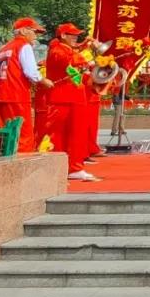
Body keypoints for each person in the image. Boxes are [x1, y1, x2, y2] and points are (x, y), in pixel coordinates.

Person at [0, 18, 53, 153]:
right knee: (22, 135)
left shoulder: (5, 48)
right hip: (17, 97)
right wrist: (44, 81)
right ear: (23, 31)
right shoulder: (23, 45)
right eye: (35, 32)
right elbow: (31, 72)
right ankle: (22, 165)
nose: (36, 36)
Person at [44, 23, 97, 181]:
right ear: (63, 36)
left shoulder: (70, 50)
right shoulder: (57, 50)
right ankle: (54, 168)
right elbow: (71, 61)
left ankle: (75, 167)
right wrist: (88, 52)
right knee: (57, 136)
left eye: (76, 35)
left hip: (75, 98)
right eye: (71, 34)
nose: (75, 37)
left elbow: (78, 69)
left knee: (77, 135)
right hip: (61, 100)